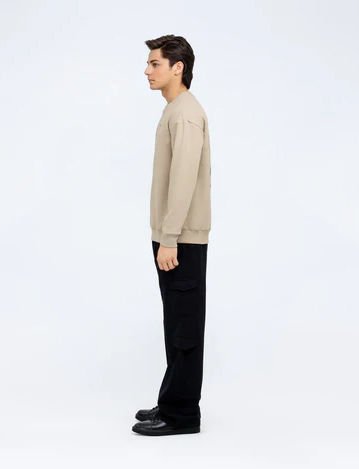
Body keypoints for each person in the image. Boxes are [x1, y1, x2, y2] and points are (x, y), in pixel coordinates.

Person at [132, 35, 212, 436]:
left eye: (155, 64)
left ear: (177, 68)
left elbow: (183, 179)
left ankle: (181, 415)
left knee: (184, 327)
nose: (147, 71)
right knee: (176, 321)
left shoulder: (185, 115)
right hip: (173, 235)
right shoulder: (176, 110)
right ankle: (171, 402)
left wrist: (169, 238)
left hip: (180, 239)